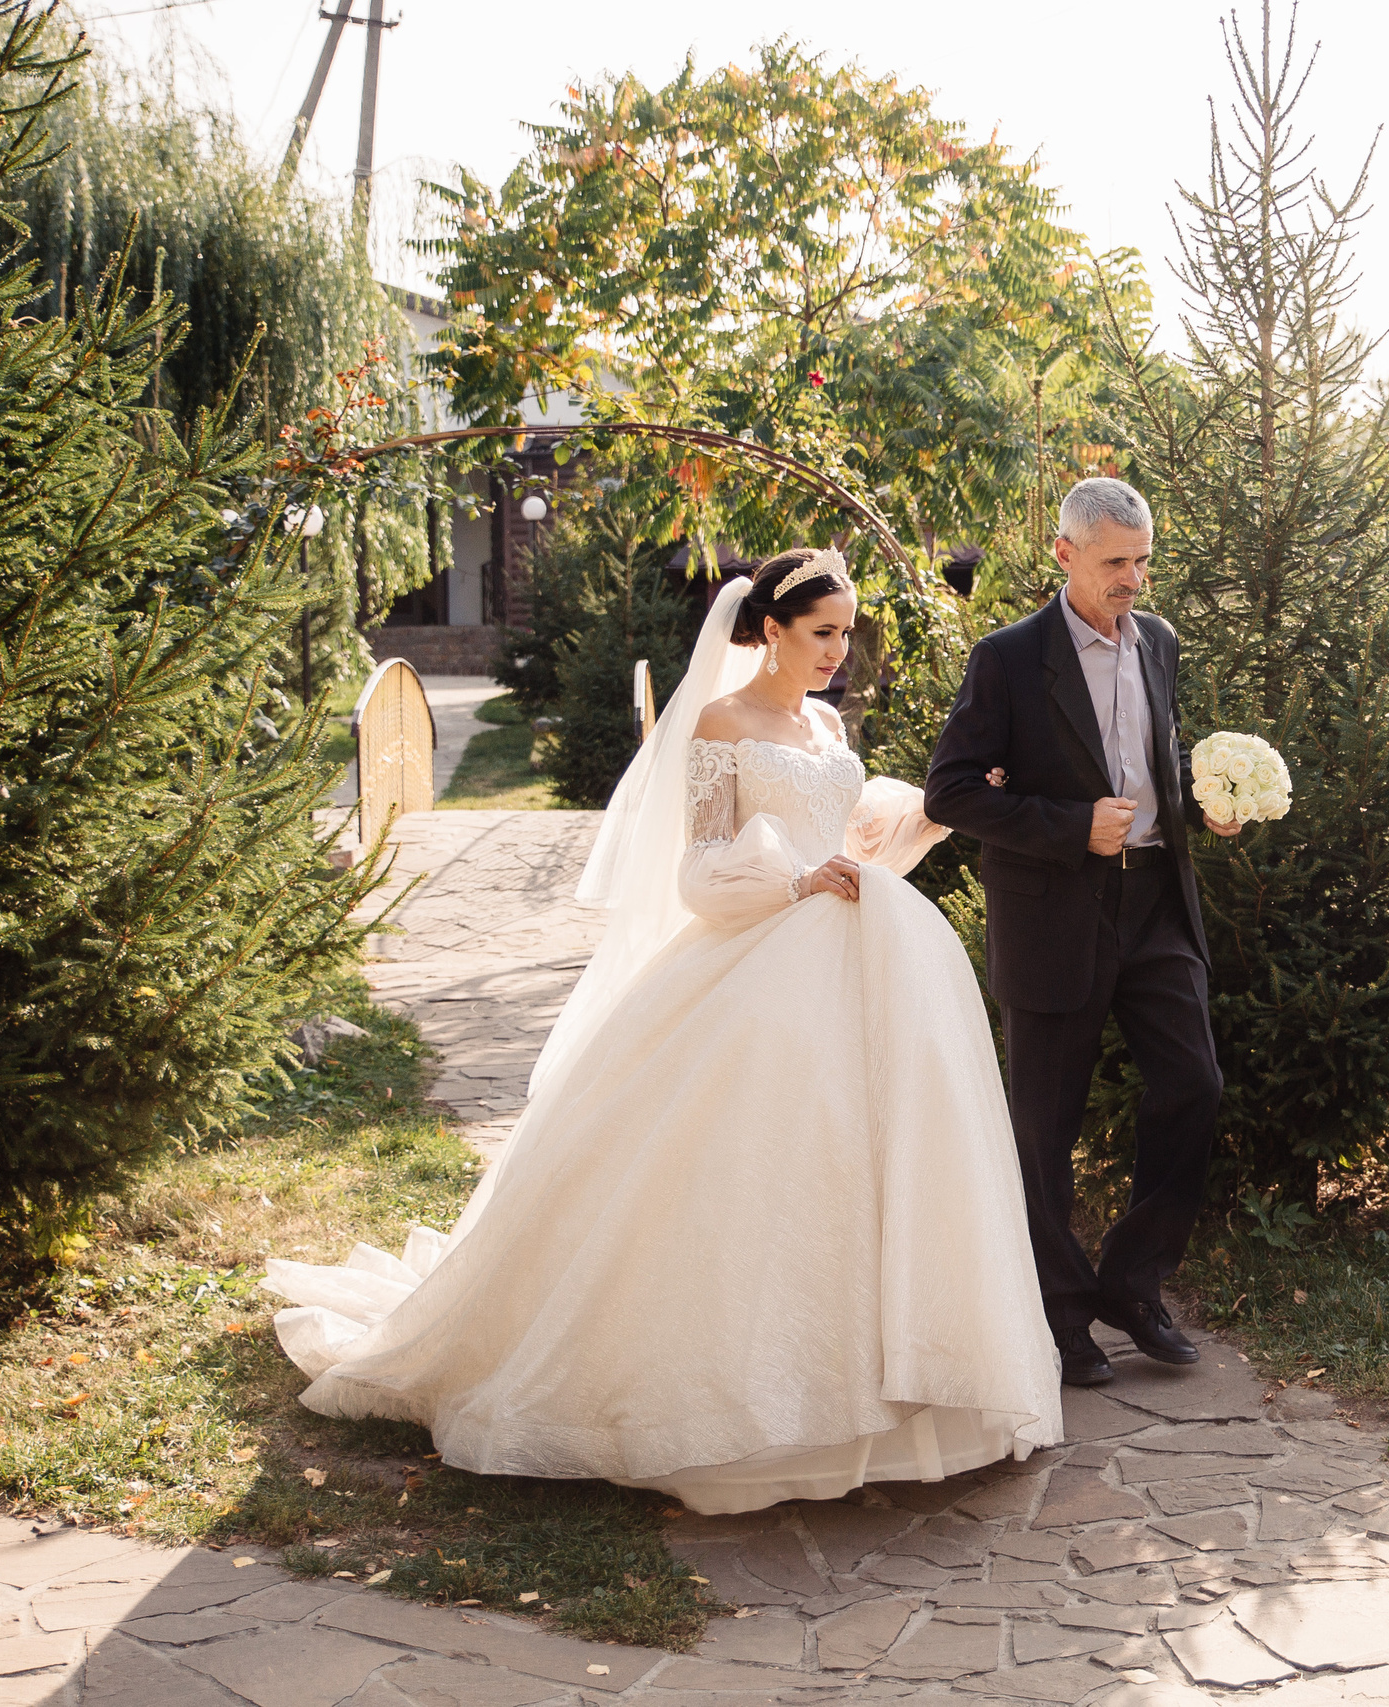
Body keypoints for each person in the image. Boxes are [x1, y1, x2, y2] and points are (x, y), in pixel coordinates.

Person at [262, 551, 1060, 1514]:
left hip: (862, 958)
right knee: (755, 1166)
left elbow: (850, 846)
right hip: (762, 959)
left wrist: (925, 822)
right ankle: (742, 1402)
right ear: (770, 628)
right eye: (822, 632)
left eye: (848, 633)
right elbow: (702, 873)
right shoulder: (723, 725)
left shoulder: (829, 722)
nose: (839, 652)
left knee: (874, 1157)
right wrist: (797, 883)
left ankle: (895, 1389)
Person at [925, 478, 1242, 1389]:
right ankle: (1061, 1317)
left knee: (1194, 1084)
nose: (1133, 579)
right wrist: (1072, 827)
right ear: (1064, 555)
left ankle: (1134, 1287)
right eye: (1115, 563)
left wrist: (1203, 800)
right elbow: (949, 790)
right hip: (1054, 915)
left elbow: (1152, 760)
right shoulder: (1009, 659)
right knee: (1043, 1129)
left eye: (1143, 560)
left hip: (1155, 908)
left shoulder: (1161, 642)